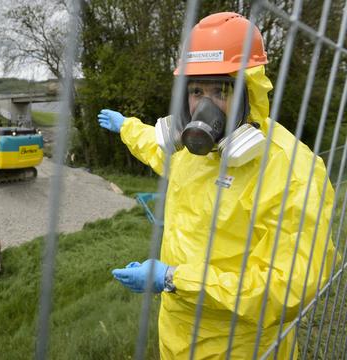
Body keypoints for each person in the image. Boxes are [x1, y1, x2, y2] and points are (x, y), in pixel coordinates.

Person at [98, 12, 336, 359]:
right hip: (176, 337)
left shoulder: (289, 170)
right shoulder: (190, 153)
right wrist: (126, 126)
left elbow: (287, 287)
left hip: (243, 346)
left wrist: (173, 279)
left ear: (248, 92)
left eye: (220, 90)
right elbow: (154, 145)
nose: (204, 105)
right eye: (196, 90)